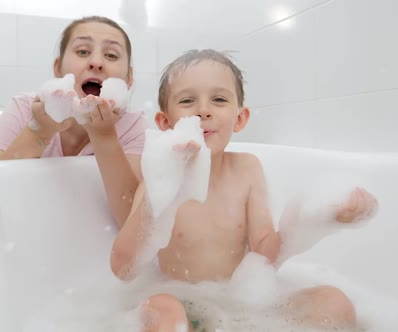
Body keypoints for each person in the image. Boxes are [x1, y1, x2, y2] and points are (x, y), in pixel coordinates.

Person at [110, 49, 378, 331]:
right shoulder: (158, 178)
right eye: (188, 100)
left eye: (219, 99)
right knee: (162, 311)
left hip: (243, 300)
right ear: (165, 123)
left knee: (334, 302)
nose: (204, 110)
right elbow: (123, 269)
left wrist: (320, 219)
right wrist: (158, 198)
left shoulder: (248, 169)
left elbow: (264, 252)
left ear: (240, 118)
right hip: (181, 300)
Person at [0, 16, 148, 227]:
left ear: (129, 78)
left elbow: (132, 222)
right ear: (58, 68)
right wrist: (39, 130)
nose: (96, 62)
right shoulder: (24, 108)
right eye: (83, 52)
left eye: (111, 55)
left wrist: (104, 135)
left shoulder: (133, 126)